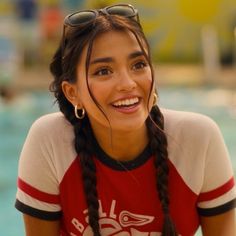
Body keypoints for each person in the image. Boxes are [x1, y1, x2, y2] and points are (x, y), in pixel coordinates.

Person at [15, 4, 236, 236]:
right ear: (73, 93)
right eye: (103, 71)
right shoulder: (49, 142)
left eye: (138, 65)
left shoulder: (198, 139)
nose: (128, 83)